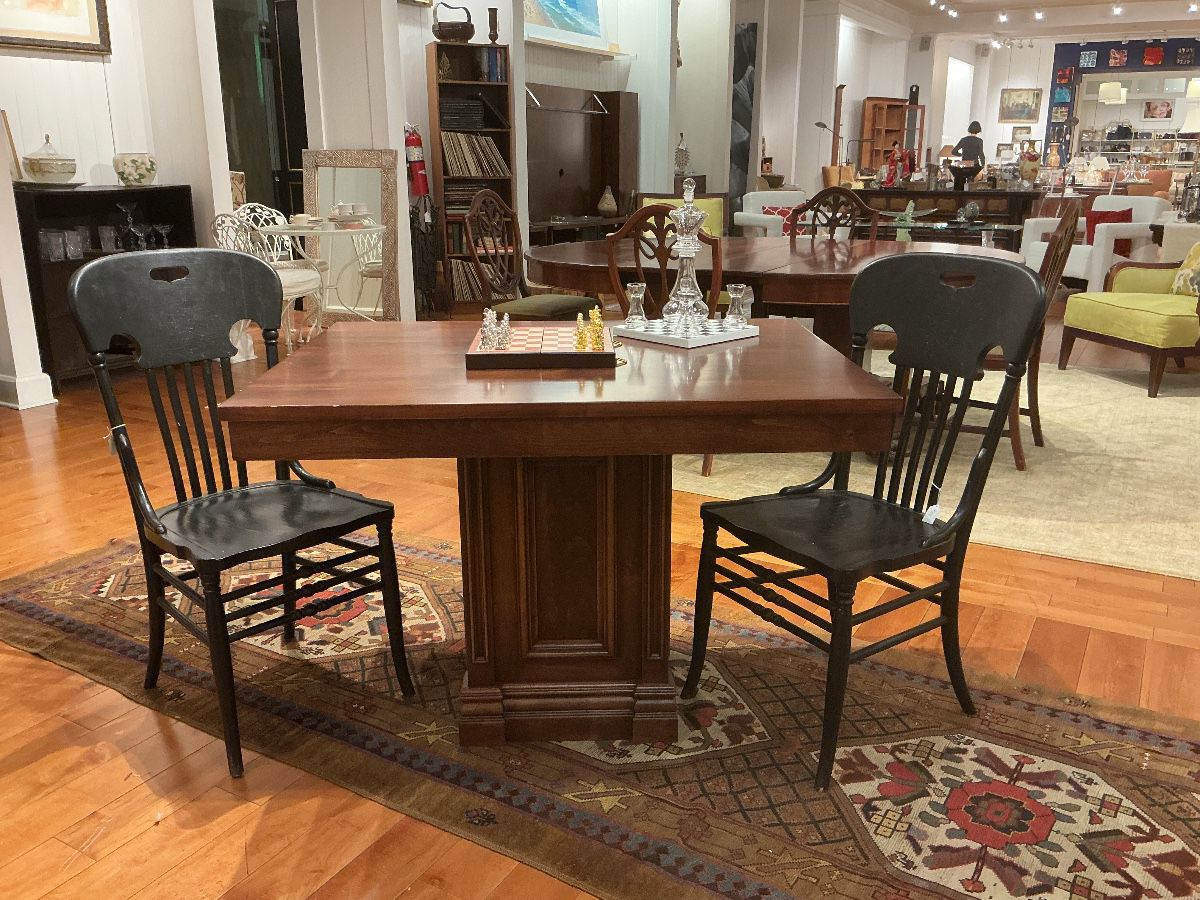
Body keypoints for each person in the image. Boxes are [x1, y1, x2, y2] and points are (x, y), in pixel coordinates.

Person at [950, 121, 986, 191]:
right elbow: (981, 154)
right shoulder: (979, 141)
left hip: (964, 165)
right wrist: (983, 165)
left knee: (960, 185)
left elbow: (954, 152)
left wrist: (961, 154)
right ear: (979, 129)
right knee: (973, 186)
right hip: (974, 165)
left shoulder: (963, 140)